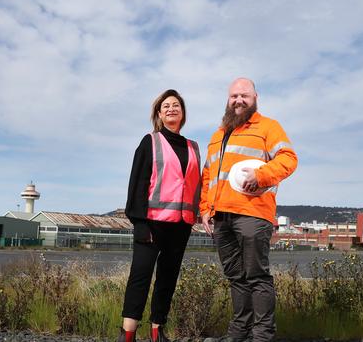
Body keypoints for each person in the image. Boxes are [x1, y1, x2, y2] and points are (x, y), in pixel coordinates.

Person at [200, 78, 298, 341]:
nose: (238, 100)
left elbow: (289, 159)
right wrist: (206, 209)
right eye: (233, 96)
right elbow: (209, 175)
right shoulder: (218, 134)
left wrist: (262, 174)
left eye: (244, 95)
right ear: (227, 99)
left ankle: (262, 334)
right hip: (222, 216)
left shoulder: (268, 127)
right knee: (236, 277)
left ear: (255, 97)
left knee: (256, 276)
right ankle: (239, 331)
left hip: (253, 214)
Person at [119, 89, 201, 342]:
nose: (171, 109)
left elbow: (197, 185)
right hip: (152, 224)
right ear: (158, 114)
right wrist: (140, 223)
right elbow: (138, 184)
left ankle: (158, 331)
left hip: (181, 225)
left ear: (183, 113)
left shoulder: (193, 147)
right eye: (165, 106)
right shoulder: (150, 141)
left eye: (176, 105)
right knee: (140, 277)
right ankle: (128, 334)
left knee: (167, 278)